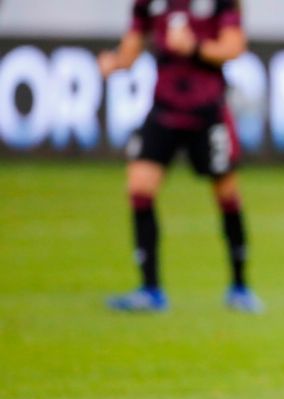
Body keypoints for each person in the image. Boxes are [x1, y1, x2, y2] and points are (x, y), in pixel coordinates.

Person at [98, 0, 262, 313]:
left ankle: (240, 286)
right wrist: (114, 62)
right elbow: (131, 51)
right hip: (164, 110)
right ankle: (150, 290)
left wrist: (194, 47)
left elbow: (234, 46)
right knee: (139, 189)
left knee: (226, 194)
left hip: (207, 111)